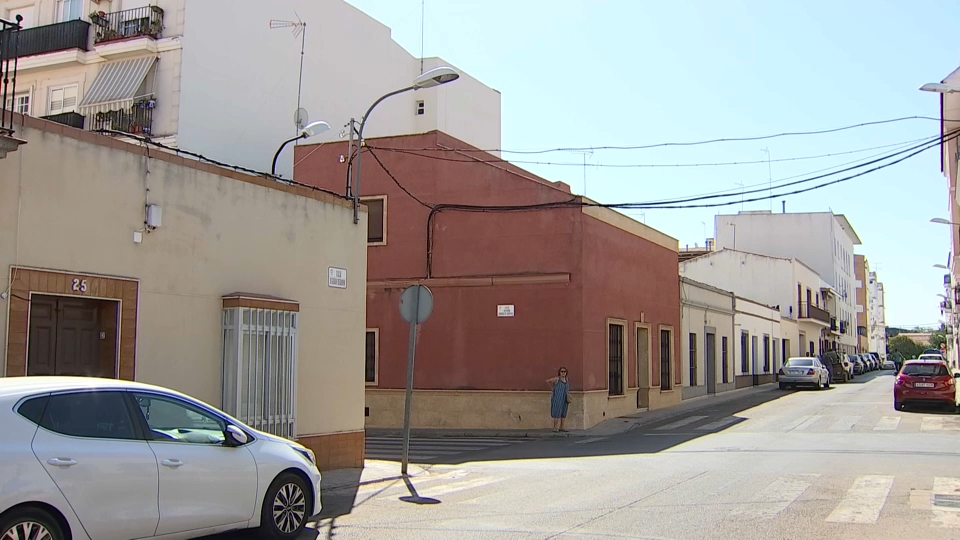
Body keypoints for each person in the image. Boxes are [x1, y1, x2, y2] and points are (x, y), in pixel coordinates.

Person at [546, 367, 571, 432]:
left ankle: (562, 427)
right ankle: (555, 427)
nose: (563, 373)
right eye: (562, 371)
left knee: (564, 413)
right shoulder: (557, 379)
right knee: (557, 412)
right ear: (559, 372)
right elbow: (548, 381)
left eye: (564, 371)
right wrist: (553, 388)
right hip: (557, 398)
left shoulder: (566, 379)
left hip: (565, 398)